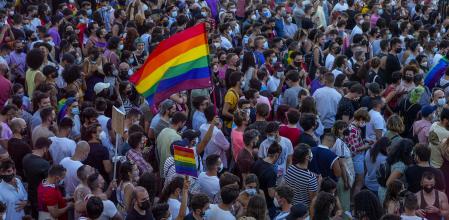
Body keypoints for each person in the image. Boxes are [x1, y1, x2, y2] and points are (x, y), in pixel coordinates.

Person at [22, 137, 51, 219]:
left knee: (34, 214)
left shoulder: (26, 158)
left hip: (31, 194)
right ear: (45, 148)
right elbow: (48, 183)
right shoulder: (44, 164)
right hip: (41, 197)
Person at [378, 139, 414, 204]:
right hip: (388, 196)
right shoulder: (400, 166)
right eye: (411, 150)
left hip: (383, 191)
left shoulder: (394, 157)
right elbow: (388, 183)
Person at [252, 142, 281, 217]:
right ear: (276, 155)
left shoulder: (257, 162)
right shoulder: (271, 172)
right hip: (266, 204)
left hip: (254, 198)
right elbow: (271, 194)